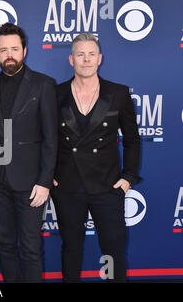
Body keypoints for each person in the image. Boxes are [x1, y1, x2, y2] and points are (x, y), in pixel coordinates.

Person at [51, 33, 141, 282]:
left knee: (113, 249)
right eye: (80, 54)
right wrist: (49, 176)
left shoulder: (119, 93)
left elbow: (132, 139)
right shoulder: (55, 93)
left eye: (91, 54)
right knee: (71, 249)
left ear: (100, 59)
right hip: (67, 186)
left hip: (107, 185)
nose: (86, 59)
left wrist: (128, 178)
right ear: (71, 59)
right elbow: (45, 139)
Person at [0, 23, 58, 283]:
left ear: (24, 50)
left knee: (32, 249)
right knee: (5, 245)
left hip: (30, 182)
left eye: (14, 49)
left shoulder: (44, 84)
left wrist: (45, 181)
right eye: (3, 50)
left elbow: (51, 138)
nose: (9, 54)